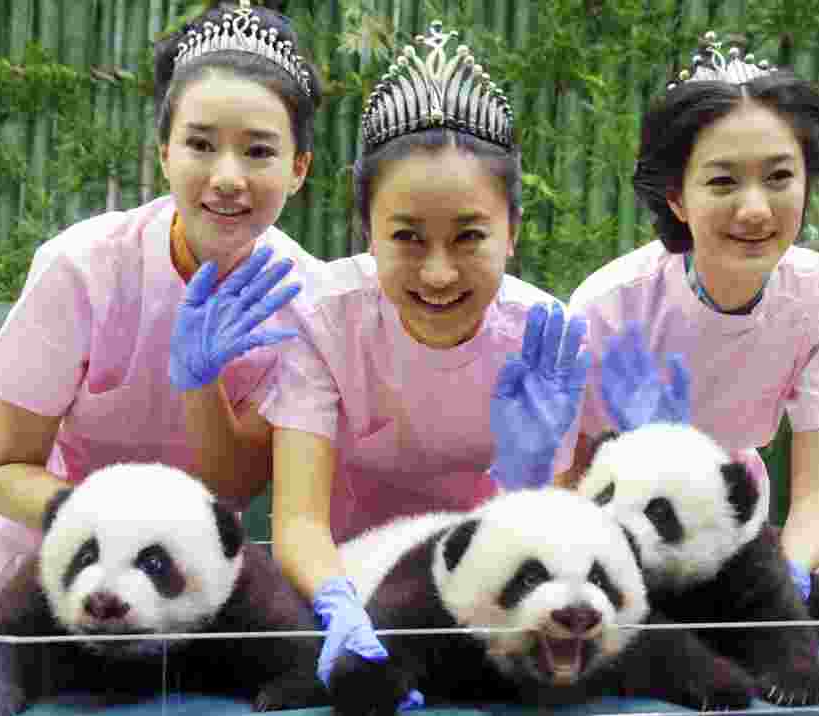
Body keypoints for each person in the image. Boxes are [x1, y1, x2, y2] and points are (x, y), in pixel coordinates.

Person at [0, 1, 323, 703]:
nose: (227, 176)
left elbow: (232, 489)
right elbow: (5, 469)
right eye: (200, 144)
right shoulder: (81, 267)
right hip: (43, 560)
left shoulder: (310, 303)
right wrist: (95, 522)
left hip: (183, 582)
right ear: (163, 151)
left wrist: (202, 385)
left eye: (259, 150)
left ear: (299, 168)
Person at [253, 20, 590, 706]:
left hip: (495, 607)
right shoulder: (322, 321)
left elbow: (557, 535)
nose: (438, 274)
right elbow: (297, 520)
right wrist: (339, 604)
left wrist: (534, 478)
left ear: (513, 232)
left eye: (469, 237)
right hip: (340, 594)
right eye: (407, 238)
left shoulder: (546, 339)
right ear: (366, 232)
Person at [566, 32, 819, 618]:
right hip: (613, 547)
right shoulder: (609, 307)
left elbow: (816, 498)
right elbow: (567, 488)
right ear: (676, 196)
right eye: (723, 182)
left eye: (779, 177)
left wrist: (786, 581)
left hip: (736, 531)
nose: (755, 209)